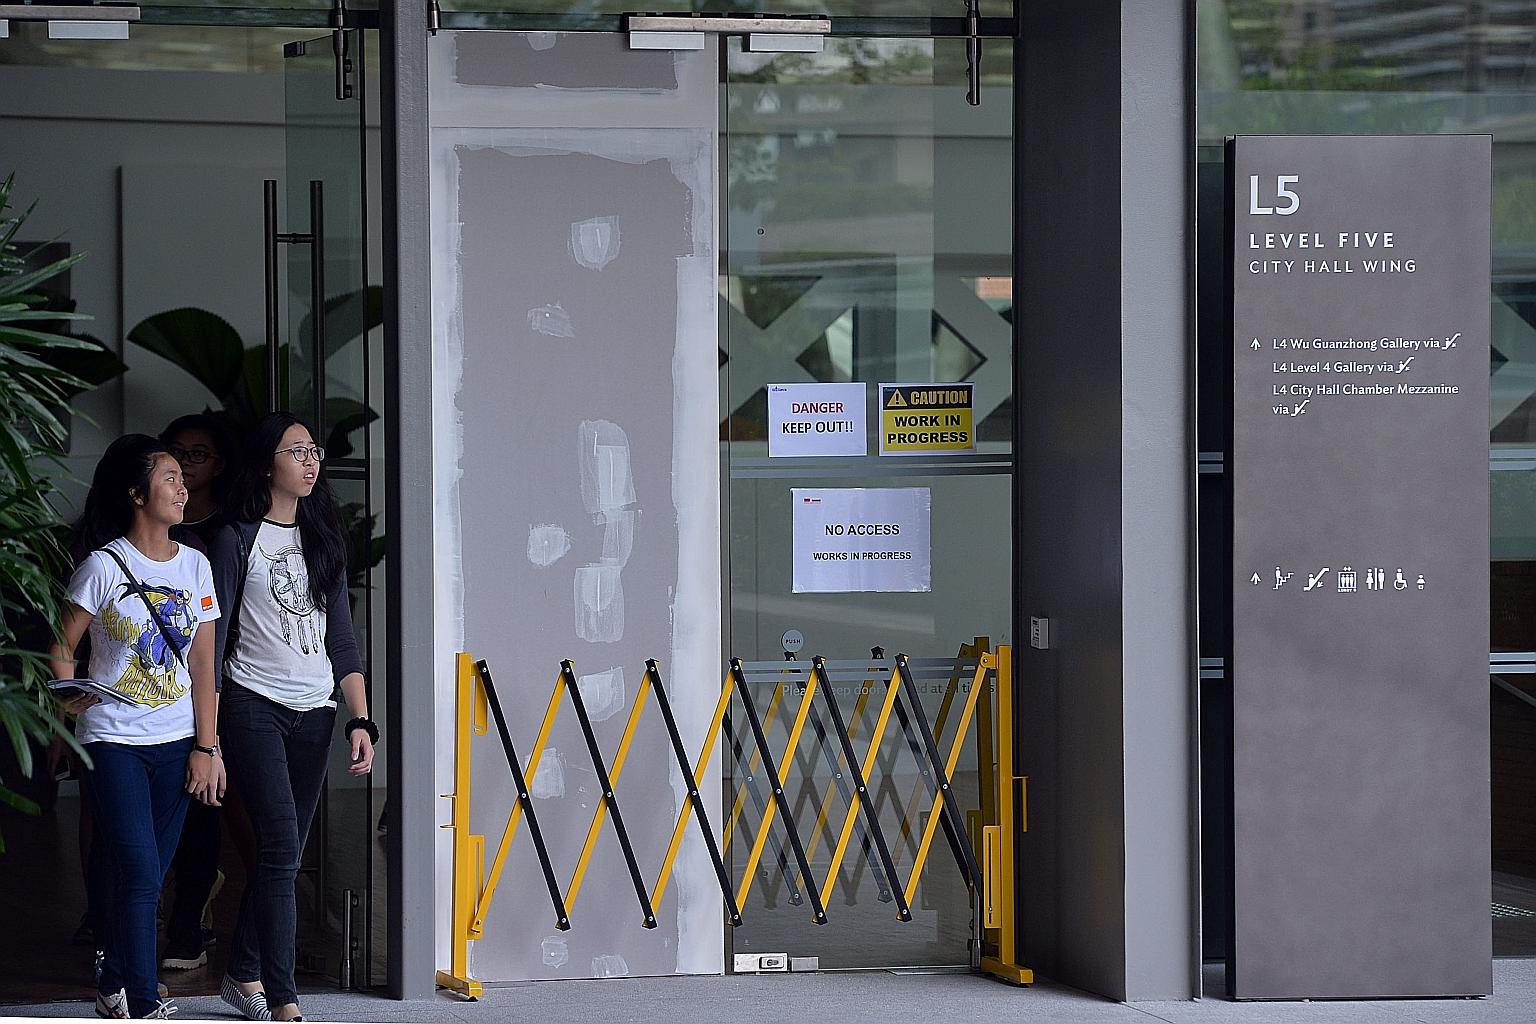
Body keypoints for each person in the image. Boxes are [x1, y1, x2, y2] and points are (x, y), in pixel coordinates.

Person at [49, 434, 225, 1020]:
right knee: (142, 870)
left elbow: (204, 665)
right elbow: (61, 647)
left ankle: (114, 981)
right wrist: (68, 704)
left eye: (183, 477)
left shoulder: (196, 564)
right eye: (169, 477)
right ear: (135, 493)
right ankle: (145, 1001)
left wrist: (208, 746)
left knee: (146, 872)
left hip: (177, 743)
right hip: (113, 739)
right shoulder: (102, 565)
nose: (182, 487)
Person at [211, 412, 377, 1023]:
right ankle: (281, 995)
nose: (311, 461)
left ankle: (241, 971)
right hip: (254, 705)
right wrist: (210, 737)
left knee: (288, 849)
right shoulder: (236, 539)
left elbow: (344, 641)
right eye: (296, 450)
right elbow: (218, 634)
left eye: (314, 452)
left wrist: (362, 720)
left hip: (317, 713)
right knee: (280, 842)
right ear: (265, 464)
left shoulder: (323, 536)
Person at [157, 412, 240, 970]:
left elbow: (218, 638)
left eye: (199, 454)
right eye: (177, 455)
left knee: (205, 805)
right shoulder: (139, 539)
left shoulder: (228, 533)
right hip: (155, 694)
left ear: (221, 463)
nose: (187, 466)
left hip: (219, 687)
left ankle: (188, 921)